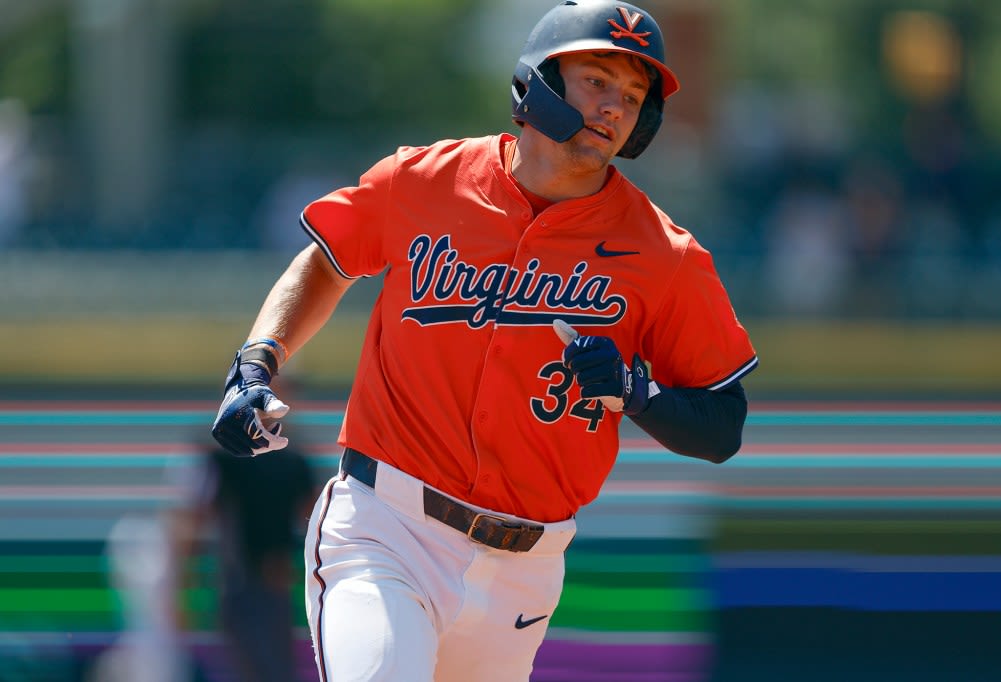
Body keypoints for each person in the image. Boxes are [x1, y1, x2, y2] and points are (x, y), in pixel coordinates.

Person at [211, 1, 758, 680]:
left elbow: (722, 423)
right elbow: (329, 259)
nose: (614, 107)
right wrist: (259, 359)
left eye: (632, 96)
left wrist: (633, 392)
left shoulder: (663, 254)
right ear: (542, 77)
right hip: (388, 529)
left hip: (523, 572)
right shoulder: (424, 181)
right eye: (596, 80)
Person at [169, 440, 317, 682]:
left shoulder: (293, 459)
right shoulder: (223, 458)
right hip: (240, 582)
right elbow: (196, 517)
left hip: (270, 586)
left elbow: (315, 516)